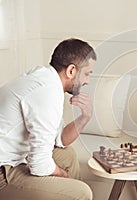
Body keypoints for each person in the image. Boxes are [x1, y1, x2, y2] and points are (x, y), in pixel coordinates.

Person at [0, 38, 97, 200]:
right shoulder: (47, 92)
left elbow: (59, 140)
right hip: (2, 172)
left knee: (67, 155)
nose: (87, 81)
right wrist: (62, 174)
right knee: (82, 192)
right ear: (71, 71)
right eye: (87, 74)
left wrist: (85, 117)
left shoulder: (47, 79)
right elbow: (40, 165)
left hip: (14, 159)